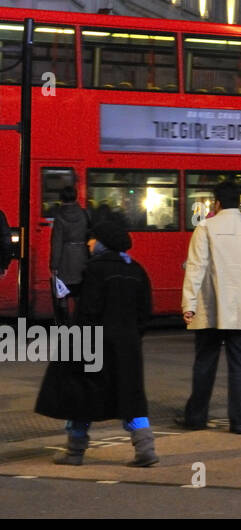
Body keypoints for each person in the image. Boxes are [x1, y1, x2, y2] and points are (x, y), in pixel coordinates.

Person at [35, 214, 158, 467]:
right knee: (131, 398)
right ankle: (145, 448)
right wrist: (133, 337)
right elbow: (145, 312)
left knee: (82, 397)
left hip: (95, 344)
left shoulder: (95, 270)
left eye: (92, 239)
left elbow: (88, 311)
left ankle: (75, 451)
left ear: (102, 243)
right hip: (127, 347)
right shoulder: (137, 271)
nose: (89, 244)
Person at [176, 182, 241, 435]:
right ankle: (240, 422)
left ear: (217, 203)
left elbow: (196, 268)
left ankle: (197, 417)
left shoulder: (205, 228)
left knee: (205, 364)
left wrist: (188, 303)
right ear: (239, 203)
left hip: (211, 309)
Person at [49, 186, 90, 325]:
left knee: (63, 294)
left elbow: (57, 243)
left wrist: (54, 265)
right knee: (80, 292)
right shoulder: (84, 214)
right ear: (75, 197)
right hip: (81, 256)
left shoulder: (59, 216)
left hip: (65, 259)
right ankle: (80, 321)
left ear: (61, 199)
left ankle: (65, 323)